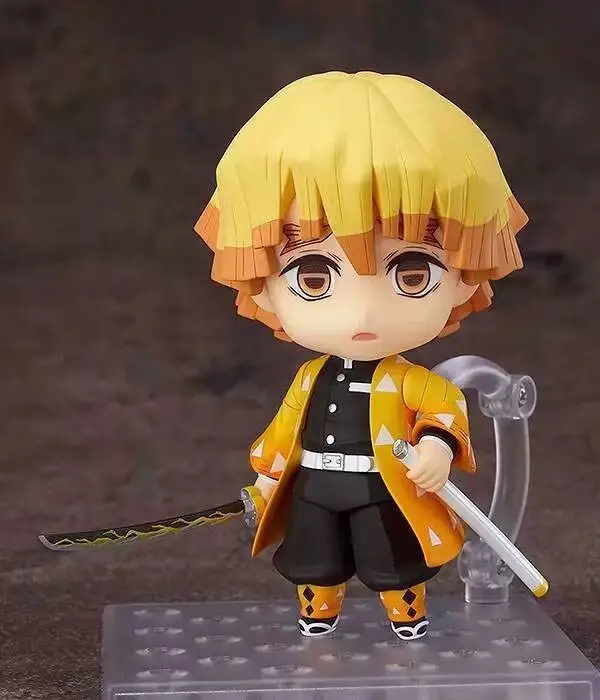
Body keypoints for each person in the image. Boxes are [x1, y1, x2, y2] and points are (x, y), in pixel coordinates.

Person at [194, 71, 527, 640]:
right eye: (314, 277)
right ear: (260, 281)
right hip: (316, 486)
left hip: (385, 487)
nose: (363, 312)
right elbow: (284, 434)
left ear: (466, 274)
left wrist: (436, 447)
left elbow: (444, 411)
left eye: (412, 273)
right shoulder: (309, 378)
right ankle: (317, 611)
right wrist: (268, 480)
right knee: (313, 556)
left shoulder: (413, 382)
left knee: (392, 557)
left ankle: (406, 614)